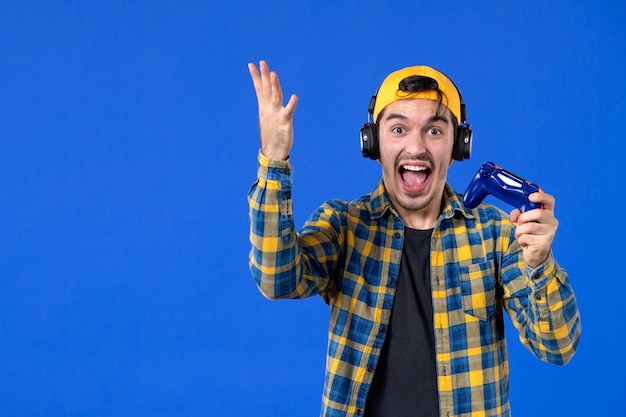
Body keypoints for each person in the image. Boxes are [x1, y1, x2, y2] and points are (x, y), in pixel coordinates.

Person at [246, 60, 581, 417]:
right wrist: (274, 160)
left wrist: (541, 263)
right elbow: (276, 279)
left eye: (435, 131)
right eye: (398, 129)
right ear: (373, 143)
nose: (416, 148)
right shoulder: (344, 224)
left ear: (458, 146)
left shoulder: (496, 234)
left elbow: (557, 346)